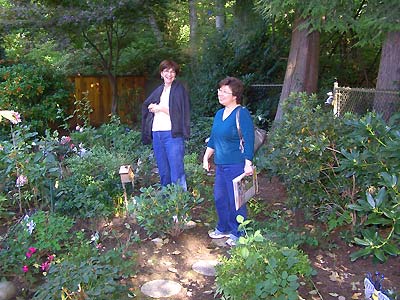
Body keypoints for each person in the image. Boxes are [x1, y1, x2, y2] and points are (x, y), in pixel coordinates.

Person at [202, 76, 254, 247]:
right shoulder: (219, 114)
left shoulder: (241, 113)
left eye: (225, 91)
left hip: (236, 164)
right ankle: (223, 228)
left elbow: (249, 139)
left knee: (236, 200)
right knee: (220, 198)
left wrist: (248, 163)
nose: (220, 94)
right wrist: (206, 157)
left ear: (235, 95)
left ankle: (238, 233)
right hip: (221, 165)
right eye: (220, 90)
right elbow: (214, 139)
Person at [141, 60, 190, 190]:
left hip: (172, 134)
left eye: (172, 71)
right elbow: (147, 105)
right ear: (161, 73)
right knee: (163, 171)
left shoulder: (179, 89)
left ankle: (179, 202)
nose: (169, 74)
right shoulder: (159, 90)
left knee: (176, 171)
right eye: (166, 71)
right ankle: (166, 202)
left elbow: (180, 112)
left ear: (175, 74)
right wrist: (151, 107)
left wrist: (160, 108)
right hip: (157, 134)